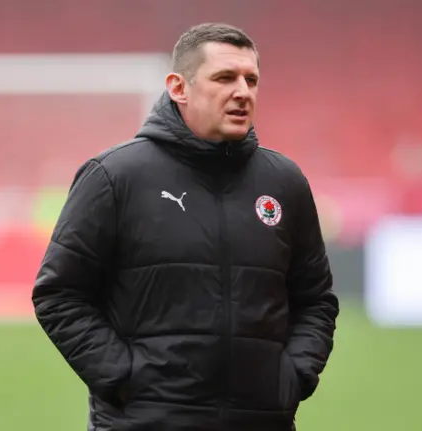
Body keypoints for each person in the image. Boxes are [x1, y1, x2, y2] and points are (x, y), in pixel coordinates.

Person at [32, 22, 339, 431]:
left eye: (251, 80)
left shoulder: (284, 182)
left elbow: (316, 298)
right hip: (146, 420)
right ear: (179, 87)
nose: (242, 92)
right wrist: (124, 379)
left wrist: (293, 377)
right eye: (225, 78)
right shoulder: (114, 176)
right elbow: (59, 293)